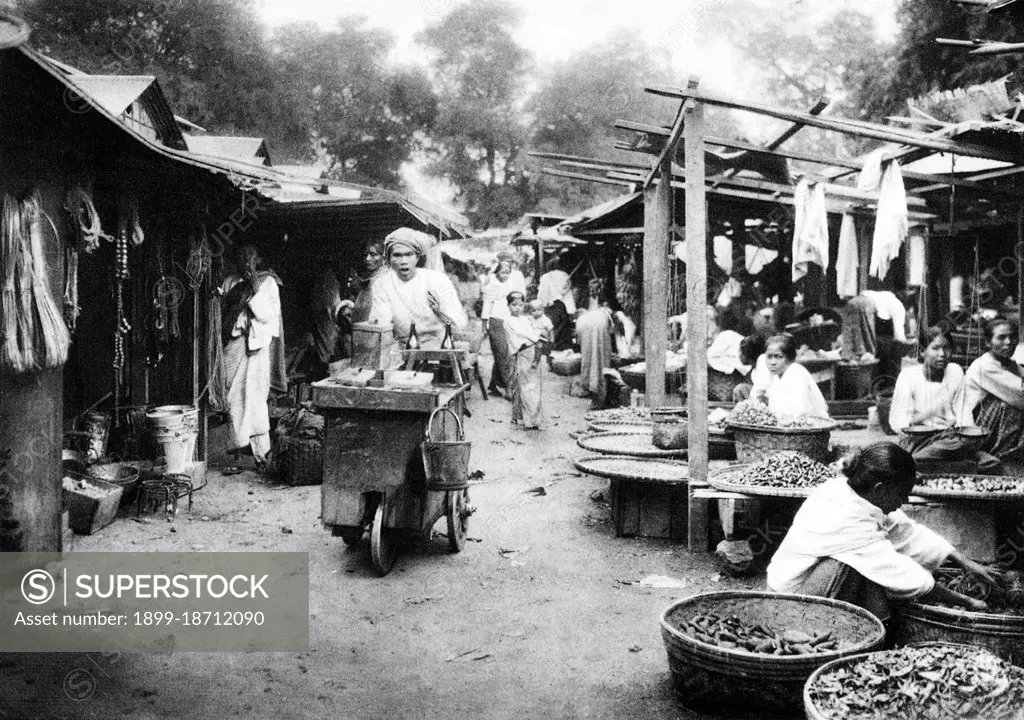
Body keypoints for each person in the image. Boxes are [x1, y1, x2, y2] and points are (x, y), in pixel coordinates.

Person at [767, 442, 999, 620]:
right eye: (903, 493)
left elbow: (905, 531)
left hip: (806, 581)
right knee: (855, 567)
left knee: (869, 567)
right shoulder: (846, 517)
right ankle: (856, 630)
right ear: (880, 489)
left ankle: (883, 627)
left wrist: (966, 562)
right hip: (792, 599)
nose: (906, 500)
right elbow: (897, 571)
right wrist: (965, 600)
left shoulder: (851, 491)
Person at [890, 326, 1001, 473]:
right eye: (935, 348)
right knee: (943, 449)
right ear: (922, 351)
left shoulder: (955, 371)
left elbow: (962, 410)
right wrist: (925, 417)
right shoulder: (908, 376)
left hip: (951, 438)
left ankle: (927, 466)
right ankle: (921, 462)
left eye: (947, 348)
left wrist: (969, 434)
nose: (942, 354)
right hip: (919, 440)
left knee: (992, 463)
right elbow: (898, 422)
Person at [220, 244, 286, 471]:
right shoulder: (229, 282)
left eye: (251, 256)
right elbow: (222, 313)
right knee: (234, 399)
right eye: (242, 256)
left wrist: (255, 288)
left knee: (256, 401)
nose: (246, 261)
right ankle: (237, 454)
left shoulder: (268, 283)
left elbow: (269, 316)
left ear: (258, 259)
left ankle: (261, 455)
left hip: (257, 349)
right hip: (235, 345)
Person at [369, 227, 467, 361]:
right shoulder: (382, 284)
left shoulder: (437, 280)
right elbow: (381, 323)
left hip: (439, 352)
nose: (404, 261)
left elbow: (460, 322)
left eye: (409, 254)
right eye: (397, 255)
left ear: (417, 257)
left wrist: (439, 312)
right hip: (402, 353)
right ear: (389, 258)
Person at [954, 317, 1024, 460]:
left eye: (1013, 337)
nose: (1009, 342)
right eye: (1001, 338)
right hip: (973, 431)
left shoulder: (1009, 364)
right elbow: (1020, 392)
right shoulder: (984, 366)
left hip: (990, 426)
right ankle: (1002, 453)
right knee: (1008, 405)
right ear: (988, 342)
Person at [752, 332, 829, 420]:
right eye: (769, 357)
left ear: (789, 358)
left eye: (779, 357)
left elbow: (799, 411)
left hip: (808, 425)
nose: (772, 362)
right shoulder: (778, 376)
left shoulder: (796, 373)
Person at [480, 258, 525, 398]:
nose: (505, 275)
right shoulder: (490, 286)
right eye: (502, 272)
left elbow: (517, 303)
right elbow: (486, 307)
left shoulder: (512, 285)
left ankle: (494, 384)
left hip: (509, 321)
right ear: (497, 273)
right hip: (496, 321)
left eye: (507, 272)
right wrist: (484, 325)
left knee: (508, 352)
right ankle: (508, 387)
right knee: (501, 353)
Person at [505, 291, 547, 430]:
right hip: (524, 351)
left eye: (520, 305)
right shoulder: (509, 321)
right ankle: (531, 420)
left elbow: (535, 328)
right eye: (514, 304)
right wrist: (538, 336)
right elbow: (525, 334)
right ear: (508, 305)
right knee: (528, 387)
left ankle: (524, 417)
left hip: (532, 350)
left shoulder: (525, 319)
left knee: (531, 385)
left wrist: (538, 335)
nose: (517, 307)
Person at [572, 279, 614, 403]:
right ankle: (598, 384)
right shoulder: (601, 302)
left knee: (589, 354)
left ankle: (589, 384)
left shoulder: (587, 300)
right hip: (595, 323)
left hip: (586, 324)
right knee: (599, 354)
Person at [536, 256, 577, 351]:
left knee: (552, 328)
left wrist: (542, 304)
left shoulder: (546, 277)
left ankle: (553, 349)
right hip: (562, 306)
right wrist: (571, 310)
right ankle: (564, 350)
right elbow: (568, 294)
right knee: (564, 330)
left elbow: (542, 293)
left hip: (552, 305)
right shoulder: (565, 275)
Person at [351, 241, 386, 324]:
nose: (367, 259)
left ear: (383, 258)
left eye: (373, 254)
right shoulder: (363, 279)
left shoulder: (386, 278)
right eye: (365, 255)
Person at [732, 334, 768, 403]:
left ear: (747, 353)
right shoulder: (753, 370)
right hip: (760, 398)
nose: (739, 355)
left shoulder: (763, 363)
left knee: (739, 389)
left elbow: (762, 389)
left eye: (740, 351)